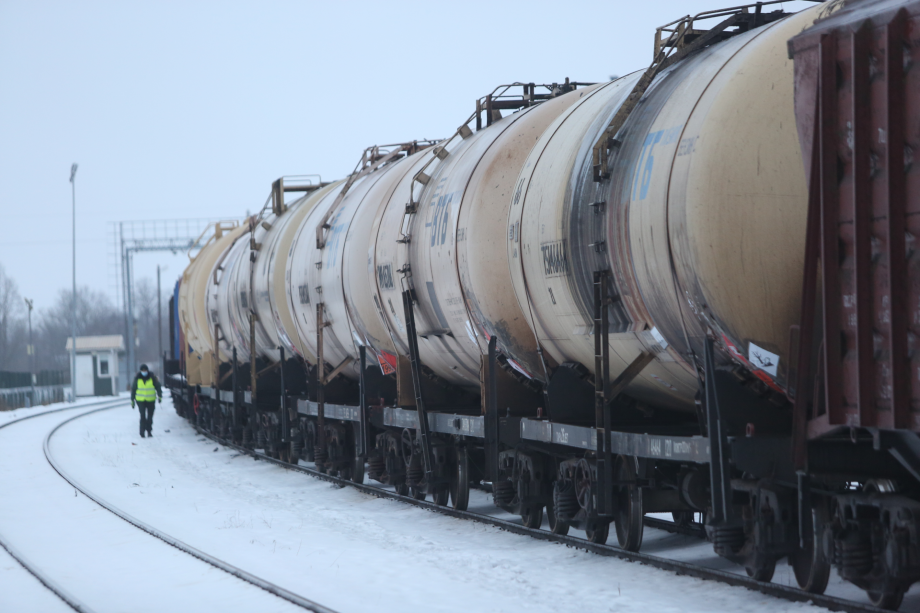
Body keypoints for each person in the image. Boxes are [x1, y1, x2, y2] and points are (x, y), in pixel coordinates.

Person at [131, 364, 162, 438]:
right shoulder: (137, 378)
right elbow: (133, 389)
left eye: (145, 370)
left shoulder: (152, 377)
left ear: (147, 370)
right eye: (142, 370)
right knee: (142, 416)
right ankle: (142, 432)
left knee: (150, 416)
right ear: (140, 371)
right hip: (140, 400)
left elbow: (158, 386)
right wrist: (132, 400)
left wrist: (160, 396)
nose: (144, 372)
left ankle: (149, 431)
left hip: (151, 400)